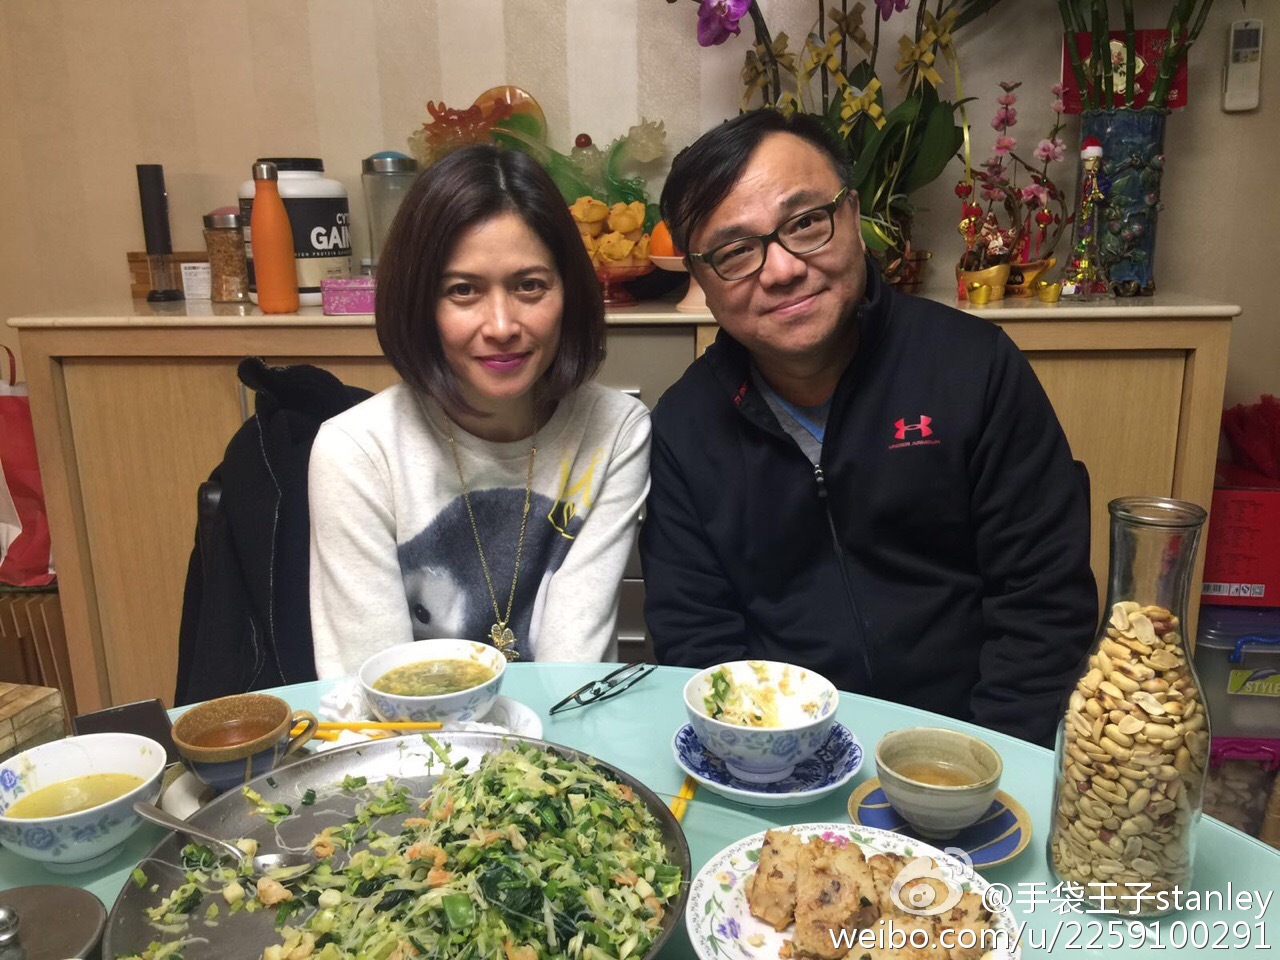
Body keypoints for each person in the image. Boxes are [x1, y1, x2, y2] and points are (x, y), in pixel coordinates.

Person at [640, 110, 1097, 746]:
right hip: (779, 759)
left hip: (970, 746)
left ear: (853, 216)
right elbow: (697, 640)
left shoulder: (973, 368)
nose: (781, 269)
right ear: (701, 279)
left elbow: (1042, 603)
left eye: (805, 223)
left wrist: (985, 764)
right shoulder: (685, 427)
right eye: (736, 251)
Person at [309, 145, 650, 678]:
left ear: (569, 292)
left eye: (529, 286)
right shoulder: (357, 451)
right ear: (419, 304)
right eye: (463, 290)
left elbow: (574, 675)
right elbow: (371, 686)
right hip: (403, 727)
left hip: (557, 726)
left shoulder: (615, 430)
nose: (502, 326)